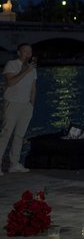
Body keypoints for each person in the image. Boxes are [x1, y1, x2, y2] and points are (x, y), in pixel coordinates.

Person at [0, 43, 37, 175]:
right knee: (6, 134)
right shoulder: (11, 64)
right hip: (12, 103)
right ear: (19, 53)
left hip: (26, 105)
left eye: (30, 51)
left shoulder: (33, 69)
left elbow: (33, 88)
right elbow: (10, 82)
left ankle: (14, 164)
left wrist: (31, 105)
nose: (28, 54)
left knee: (19, 135)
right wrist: (25, 70)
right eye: (25, 51)